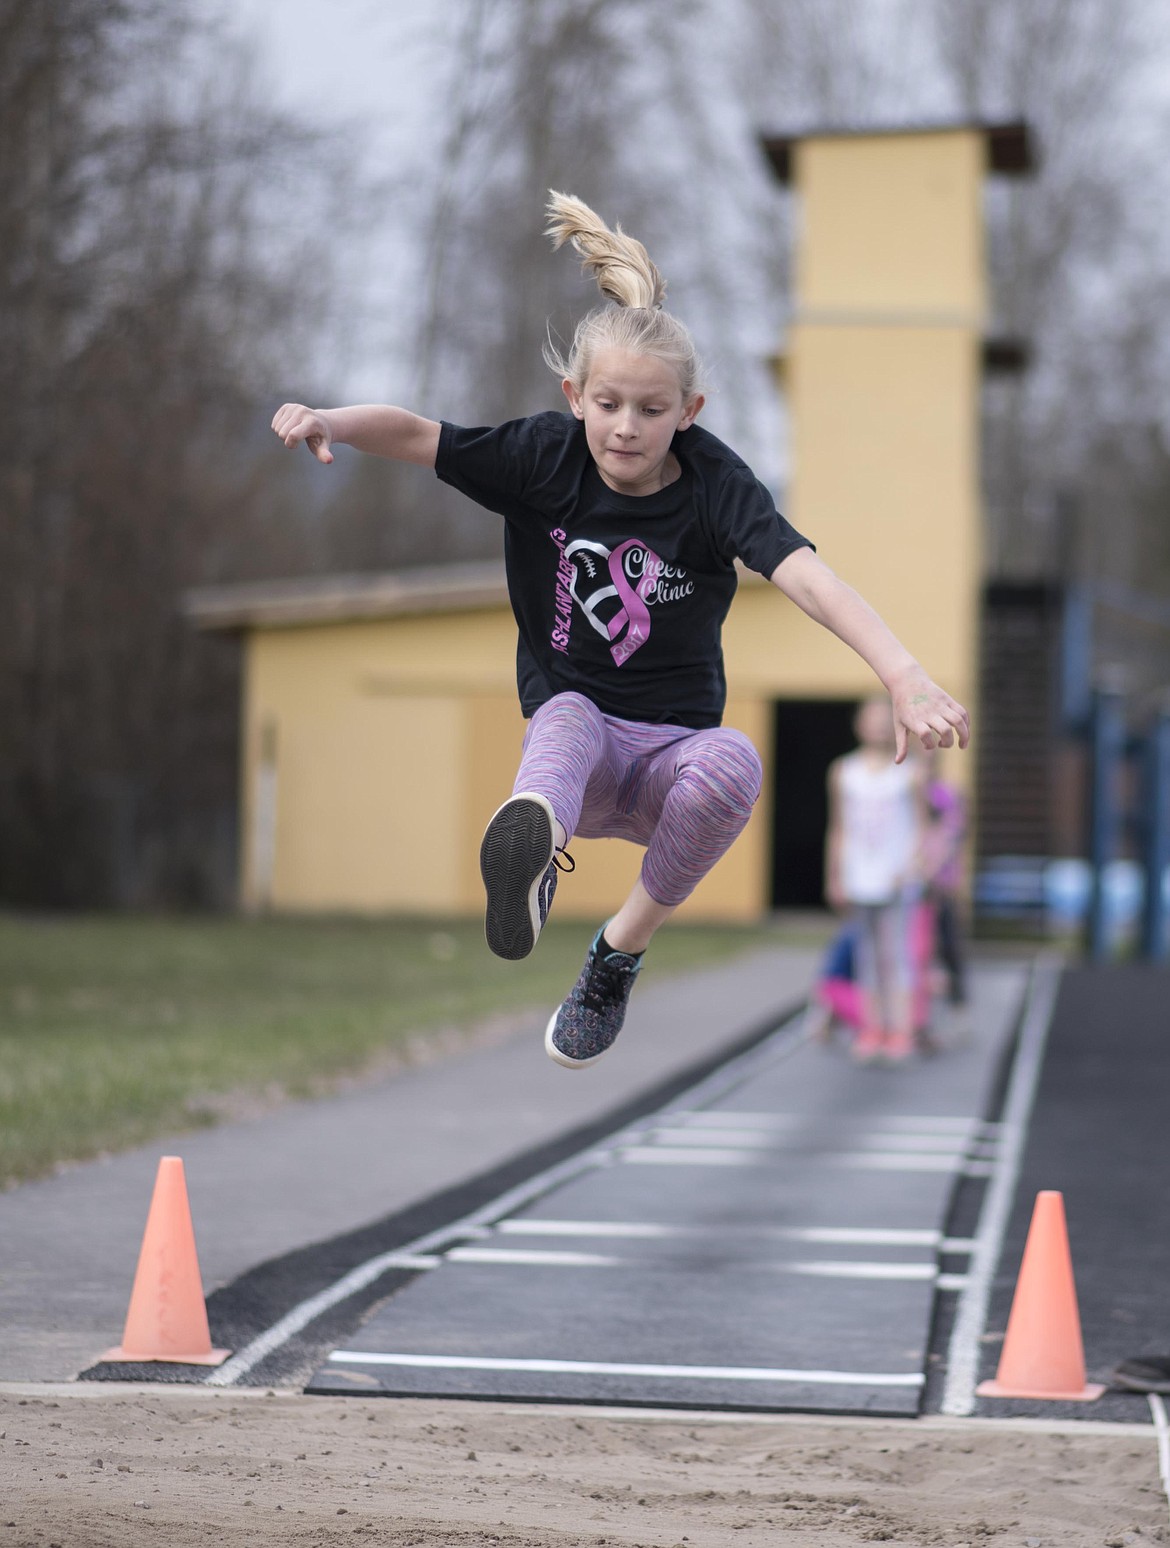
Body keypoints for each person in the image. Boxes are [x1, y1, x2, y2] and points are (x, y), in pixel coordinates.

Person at [272, 192, 969, 1071]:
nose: (625, 428)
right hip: (580, 746)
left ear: (690, 411)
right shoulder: (542, 457)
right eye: (607, 404)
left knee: (736, 760)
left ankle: (615, 957)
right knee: (565, 712)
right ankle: (532, 852)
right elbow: (418, 433)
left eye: (650, 410)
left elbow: (809, 580)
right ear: (575, 397)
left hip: (671, 760)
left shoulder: (718, 487)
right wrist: (329, 420)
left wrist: (903, 674)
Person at [824, 696, 929, 1062]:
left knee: (896, 955)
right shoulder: (843, 772)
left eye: (886, 719)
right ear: (859, 724)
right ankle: (871, 1029)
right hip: (860, 877)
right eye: (872, 719)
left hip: (896, 879)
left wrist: (914, 865)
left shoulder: (910, 772)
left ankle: (901, 1031)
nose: (879, 725)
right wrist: (834, 876)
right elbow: (837, 829)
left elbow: (922, 826)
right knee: (867, 957)